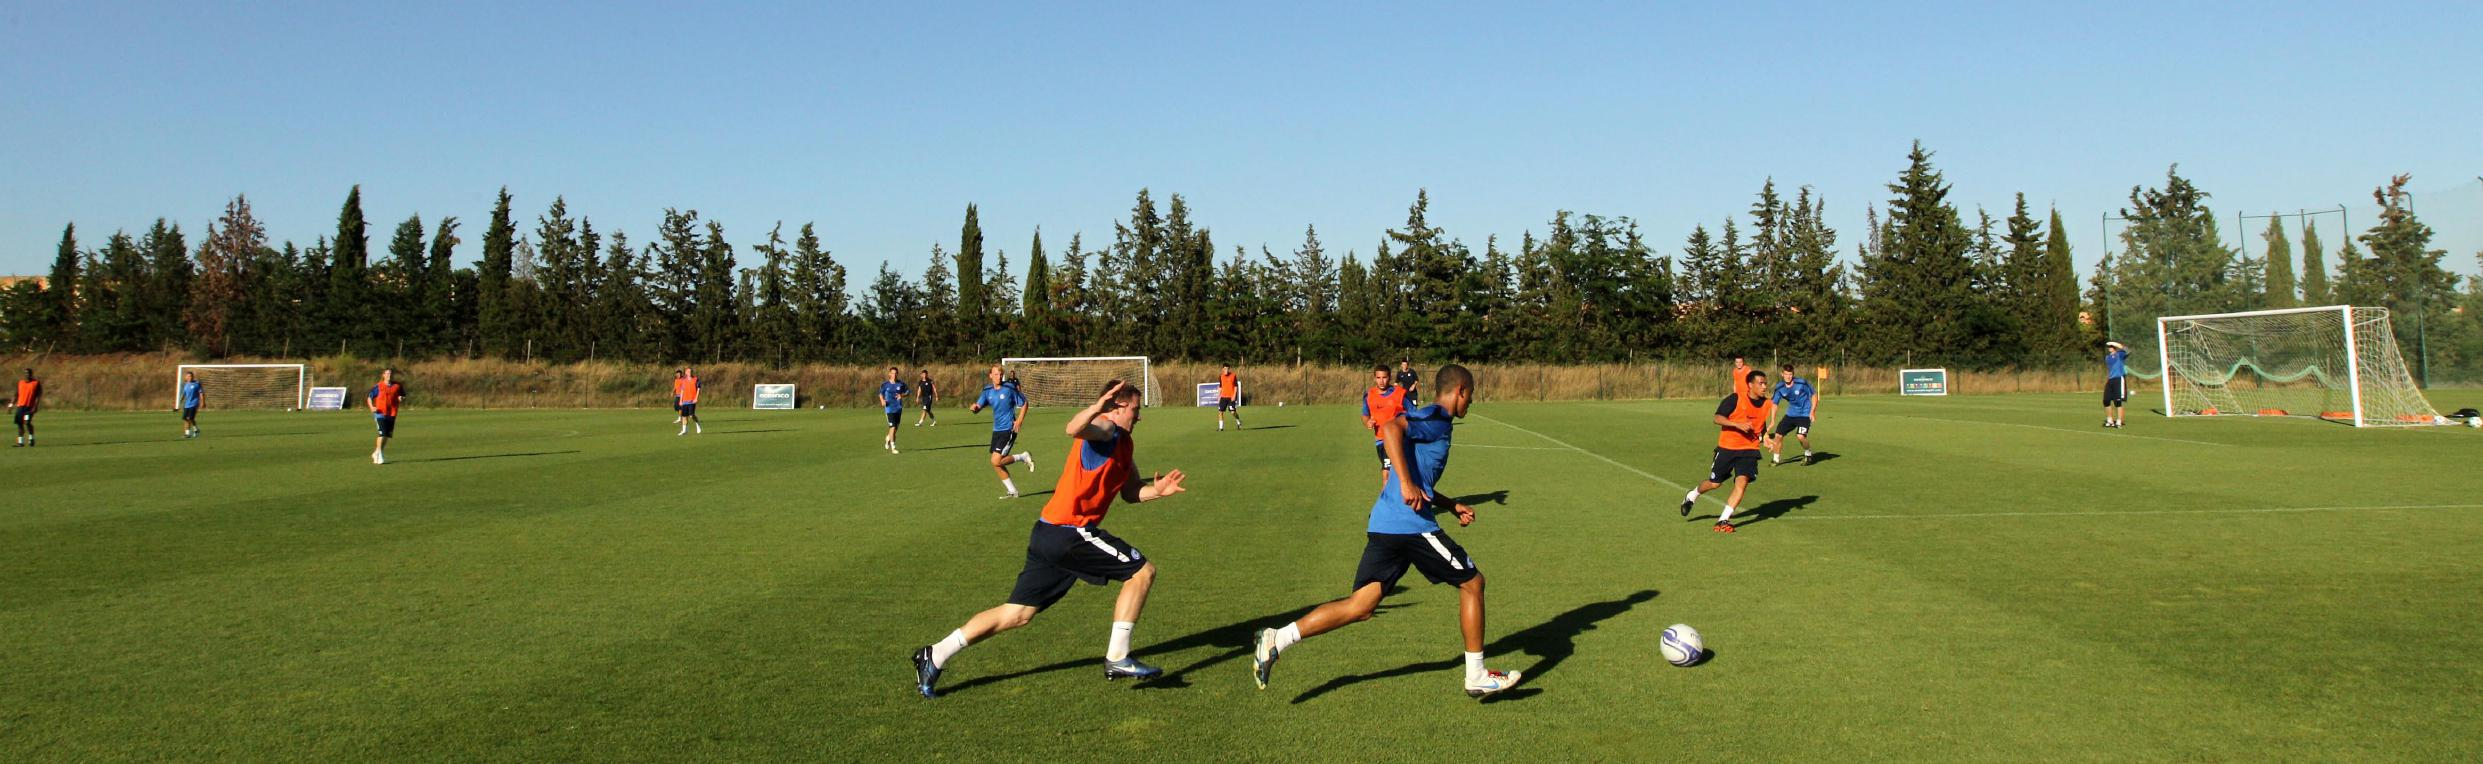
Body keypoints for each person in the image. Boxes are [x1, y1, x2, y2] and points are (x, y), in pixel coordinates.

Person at [1251, 365, 1522, 699]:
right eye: (1472, 396)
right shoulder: (1436, 418)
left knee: (1361, 606)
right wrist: (1407, 483)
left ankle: (1278, 638)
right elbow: (1392, 428)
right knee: (1472, 583)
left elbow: (1415, 473)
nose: (1471, 403)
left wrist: (1450, 504)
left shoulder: (1430, 418)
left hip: (1384, 522)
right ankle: (1477, 675)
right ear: (1461, 390)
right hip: (1410, 526)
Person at [912, 380, 1188, 698]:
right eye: (1135, 410)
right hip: (1069, 533)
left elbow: (1130, 492)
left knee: (1018, 613)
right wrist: (1098, 408)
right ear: (1116, 407)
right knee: (1142, 572)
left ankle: (935, 654)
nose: (1139, 417)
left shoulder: (1124, 442)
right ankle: (1117, 657)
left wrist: (1158, 491)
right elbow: (1073, 428)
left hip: (1050, 532)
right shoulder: (1105, 430)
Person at [1680, 367, 1773, 533]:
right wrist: (1737, 424)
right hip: (1728, 448)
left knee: (1742, 481)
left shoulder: (1767, 404)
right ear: (1750, 385)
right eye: (1761, 383)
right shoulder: (1735, 398)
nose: (1765, 386)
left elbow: (1761, 425)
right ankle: (1693, 495)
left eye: (1765, 383)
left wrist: (1765, 437)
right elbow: (1717, 418)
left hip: (1749, 449)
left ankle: (1723, 520)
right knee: (1715, 483)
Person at [969, 365, 1038, 499]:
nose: (998, 377)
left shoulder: (1009, 388)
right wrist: (974, 408)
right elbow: (978, 407)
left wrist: (1019, 420)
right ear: (990, 375)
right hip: (997, 430)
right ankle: (1013, 491)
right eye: (995, 374)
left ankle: (1023, 457)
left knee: (995, 461)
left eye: (1000, 374)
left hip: (1009, 429)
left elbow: (1024, 403)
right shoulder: (987, 390)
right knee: (996, 463)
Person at [1361, 365, 1409, 471]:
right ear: (1374, 378)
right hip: (1381, 440)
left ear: (1390, 378)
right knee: (1391, 473)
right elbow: (1364, 415)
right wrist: (1367, 422)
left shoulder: (1399, 394)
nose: (1381, 381)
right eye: (1378, 378)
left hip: (1398, 439)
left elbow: (1413, 413)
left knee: (1387, 473)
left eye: (1384, 377)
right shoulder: (1369, 395)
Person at [1766, 364, 1817, 465]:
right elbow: (1775, 404)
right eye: (1786, 374)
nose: (1788, 376)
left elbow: (1814, 395)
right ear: (1782, 374)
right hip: (1791, 414)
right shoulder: (1780, 387)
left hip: (1804, 414)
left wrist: (1812, 411)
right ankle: (1776, 459)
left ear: (1793, 374)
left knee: (1800, 436)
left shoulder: (1801, 383)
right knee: (1778, 435)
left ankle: (1808, 453)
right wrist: (1772, 420)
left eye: (1790, 374)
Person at [368, 368, 405, 465]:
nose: (389, 375)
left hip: (392, 413)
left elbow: (403, 395)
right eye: (387, 373)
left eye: (391, 374)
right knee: (382, 433)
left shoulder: (397, 386)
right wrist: (372, 407)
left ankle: (376, 452)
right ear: (383, 375)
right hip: (380, 413)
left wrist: (401, 398)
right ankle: (379, 454)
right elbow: (369, 397)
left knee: (387, 435)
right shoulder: (378, 386)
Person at [879, 367, 910, 453]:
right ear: (889, 374)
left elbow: (908, 392)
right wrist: (882, 400)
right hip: (889, 409)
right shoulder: (885, 384)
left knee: (895, 429)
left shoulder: (901, 384)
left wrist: (902, 395)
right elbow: (880, 394)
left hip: (898, 408)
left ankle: (888, 438)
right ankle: (893, 448)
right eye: (892, 373)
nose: (894, 375)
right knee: (892, 427)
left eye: (896, 373)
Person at [2103, 341, 2130, 428]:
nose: (2109, 348)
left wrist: (2116, 344)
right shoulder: (2107, 357)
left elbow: (2127, 350)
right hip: (2111, 380)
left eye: (2111, 346)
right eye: (2109, 346)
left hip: (2119, 379)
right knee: (2106, 400)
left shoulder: (2120, 354)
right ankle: (2110, 420)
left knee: (2117, 401)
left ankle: (2119, 421)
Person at [12, 368, 40, 448]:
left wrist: (35, 406)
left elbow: (38, 396)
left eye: (29, 373)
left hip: (29, 407)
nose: (27, 374)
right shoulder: (20, 383)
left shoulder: (36, 383)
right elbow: (16, 394)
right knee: (20, 424)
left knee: (27, 422)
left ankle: (31, 438)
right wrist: (11, 404)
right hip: (20, 407)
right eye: (26, 373)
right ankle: (20, 442)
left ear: (31, 374)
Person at [674, 367, 703, 436]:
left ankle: (697, 423)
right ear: (686, 373)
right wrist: (681, 400)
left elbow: (699, 389)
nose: (690, 372)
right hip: (684, 401)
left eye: (691, 371)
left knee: (691, 415)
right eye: (689, 371)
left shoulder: (696, 379)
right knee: (684, 416)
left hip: (692, 401)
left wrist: (696, 398)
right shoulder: (683, 380)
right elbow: (682, 390)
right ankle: (685, 430)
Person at [1216, 364, 1242, 431]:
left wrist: (1234, 395)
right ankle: (1221, 428)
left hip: (1231, 397)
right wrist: (1218, 396)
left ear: (1229, 369)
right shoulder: (1221, 376)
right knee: (1220, 412)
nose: (1226, 370)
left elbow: (1236, 386)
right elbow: (1220, 386)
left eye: (1227, 369)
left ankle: (1238, 422)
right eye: (1225, 369)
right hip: (1223, 397)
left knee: (1233, 412)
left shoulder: (1233, 375)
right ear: (1223, 369)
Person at [180, 370, 204, 439]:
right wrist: (179, 402)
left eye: (191, 376)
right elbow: (183, 394)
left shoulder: (197, 384)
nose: (189, 377)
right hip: (187, 404)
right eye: (188, 376)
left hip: (194, 403)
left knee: (189, 418)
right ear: (186, 377)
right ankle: (194, 430)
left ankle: (189, 433)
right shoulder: (185, 385)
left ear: (193, 377)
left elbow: (201, 393)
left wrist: (202, 402)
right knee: (186, 419)